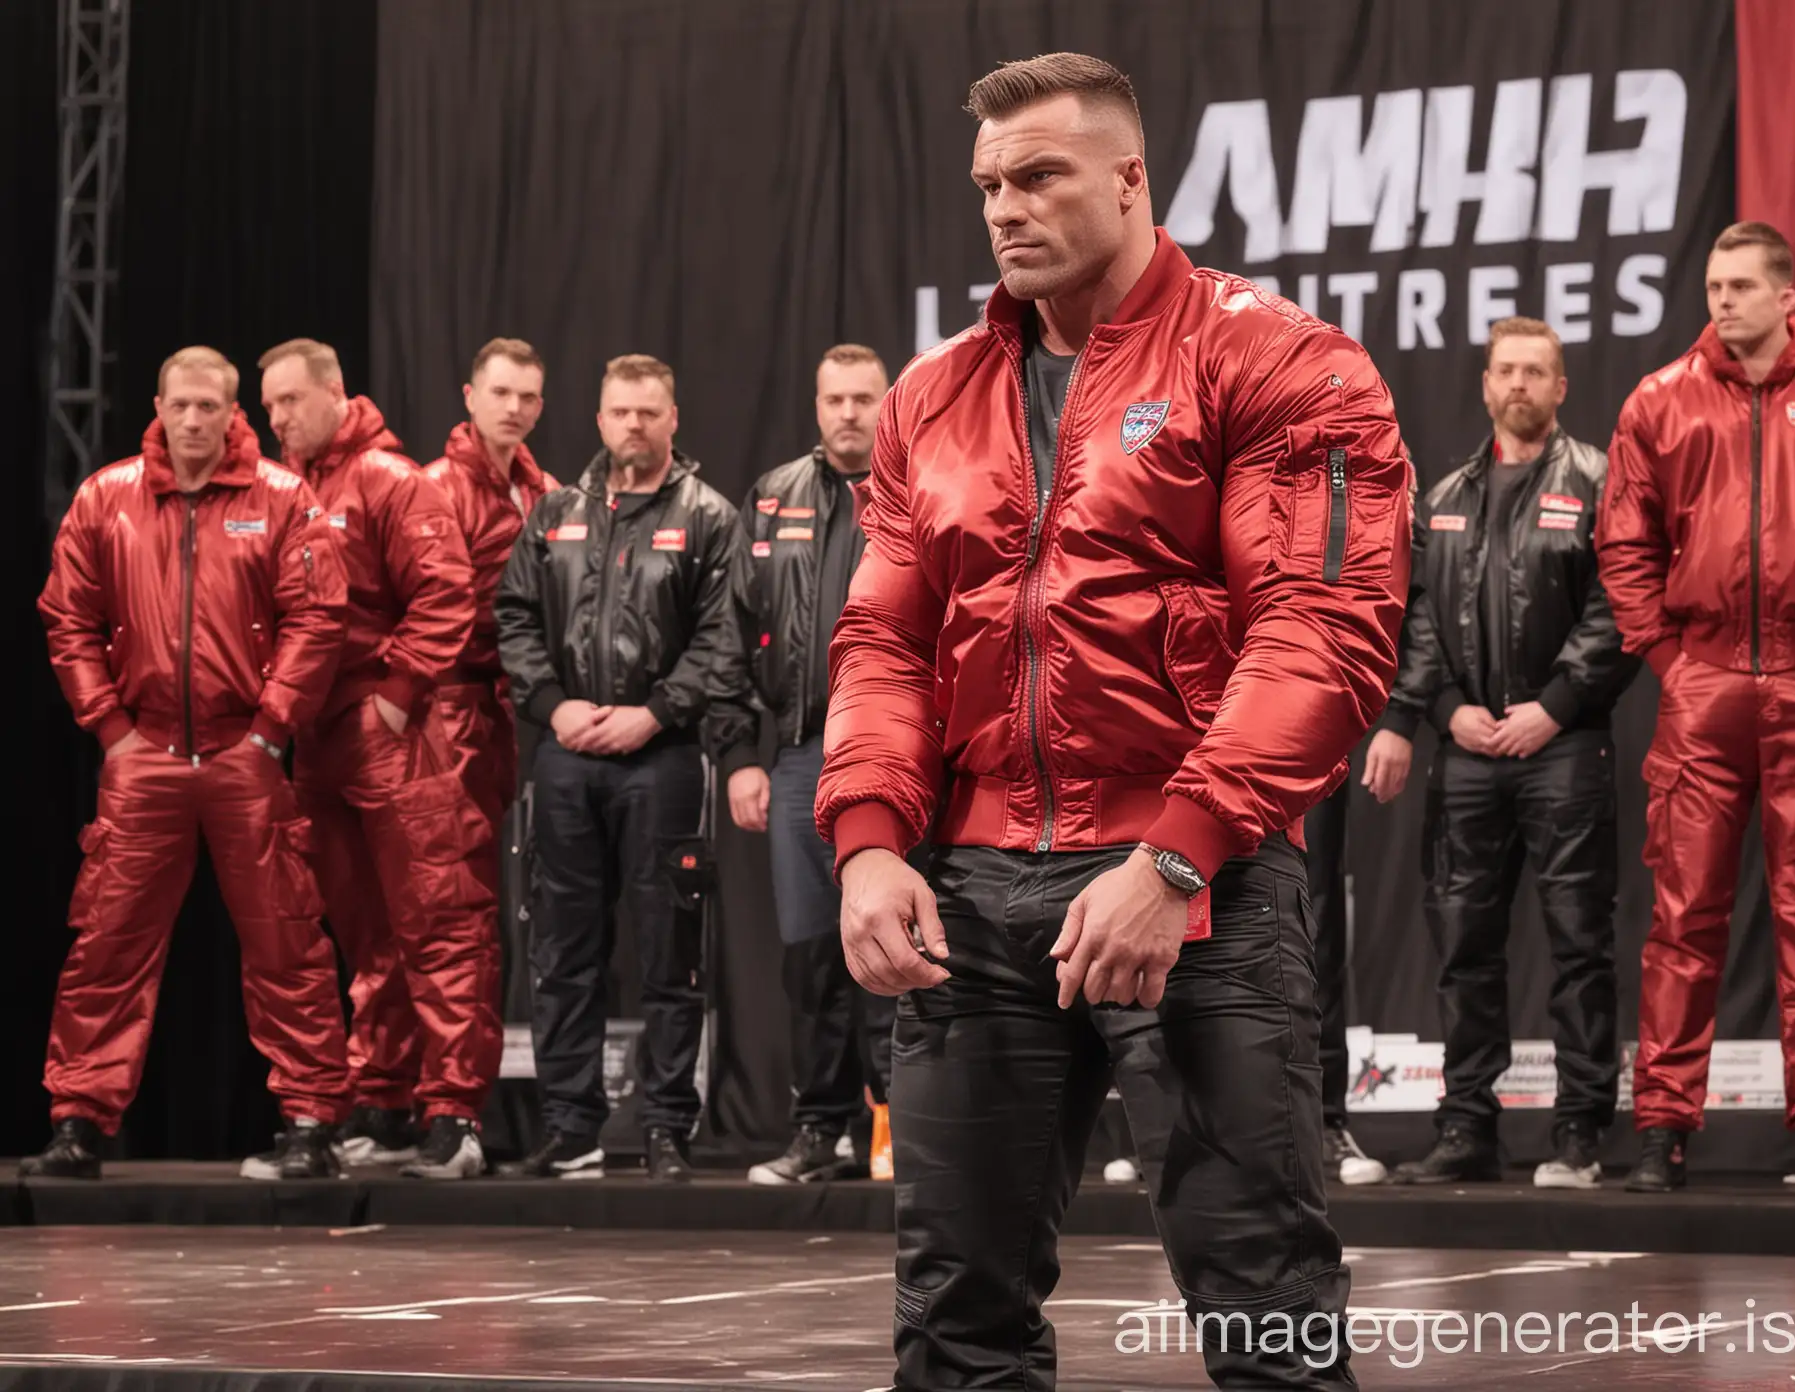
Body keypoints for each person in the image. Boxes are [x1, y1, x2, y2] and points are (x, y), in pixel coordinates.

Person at [815, 54, 1412, 1390]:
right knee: (955, 1329)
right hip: (970, 900)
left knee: (1268, 1315)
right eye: (988, 186)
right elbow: (882, 643)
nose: (1007, 209)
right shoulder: (930, 400)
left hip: (1194, 897)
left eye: (1040, 177)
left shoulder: (1280, 360)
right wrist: (864, 841)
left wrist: (1178, 854)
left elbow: (1323, 635)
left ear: (1134, 178)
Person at [28, 346, 352, 1181]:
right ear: (160, 406)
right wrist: (109, 727)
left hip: (246, 754)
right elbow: (68, 618)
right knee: (107, 942)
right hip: (144, 758)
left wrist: (272, 728)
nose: (195, 420)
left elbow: (318, 620)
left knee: (286, 937)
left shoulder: (282, 498)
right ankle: (79, 1119)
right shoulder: (108, 498)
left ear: (233, 409)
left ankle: (312, 1116)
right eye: (182, 406)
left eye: (211, 405)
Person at [1596, 221, 1795, 1195]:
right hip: (1701, 682)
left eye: (1742, 285)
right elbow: (1624, 543)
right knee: (1682, 912)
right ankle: (1662, 1127)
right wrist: (1667, 655)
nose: (1723, 300)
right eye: (1714, 284)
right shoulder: (1661, 401)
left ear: (1788, 296)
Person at [1363, 316, 1633, 1190]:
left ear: (1561, 388)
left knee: (1578, 945)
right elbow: (1425, 623)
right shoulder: (1443, 496)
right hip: (1471, 753)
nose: (1519, 385)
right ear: (1485, 386)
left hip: (1563, 747)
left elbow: (1619, 608)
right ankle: (1465, 1130)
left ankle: (1580, 1135)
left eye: (1537, 372)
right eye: (1506, 371)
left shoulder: (1596, 483)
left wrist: (1551, 709)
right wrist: (1443, 711)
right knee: (1463, 946)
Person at [496, 354, 752, 1182]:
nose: (633, 426)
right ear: (599, 418)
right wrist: (554, 706)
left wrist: (657, 712)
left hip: (665, 759)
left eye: (648, 413)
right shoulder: (555, 514)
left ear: (672, 418)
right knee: (562, 952)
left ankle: (668, 1128)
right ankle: (570, 1127)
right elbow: (515, 618)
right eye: (619, 413)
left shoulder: (709, 517)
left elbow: (726, 638)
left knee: (670, 948)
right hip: (567, 758)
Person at [259, 338, 499, 1181]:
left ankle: (453, 1113)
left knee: (438, 917)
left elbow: (446, 591)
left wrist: (397, 693)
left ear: (335, 392)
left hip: (391, 729)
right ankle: (386, 1100)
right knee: (359, 930)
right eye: (269, 407)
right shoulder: (284, 489)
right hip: (313, 737)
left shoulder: (394, 478)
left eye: (291, 401)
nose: (278, 419)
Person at [717, 343, 898, 1186]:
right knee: (811, 954)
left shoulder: (920, 479)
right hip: (796, 758)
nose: (850, 413)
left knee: (895, 941)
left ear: (886, 398)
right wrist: (741, 756)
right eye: (836, 399)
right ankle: (821, 1130)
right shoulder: (770, 497)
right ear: (817, 404)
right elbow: (731, 633)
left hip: (896, 754)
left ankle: (901, 1134)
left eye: (865, 397)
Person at [1302, 771, 1387, 1185]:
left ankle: (1323, 1124)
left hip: (1292, 738)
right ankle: (1178, 1129)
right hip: (1195, 734)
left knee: (1316, 928)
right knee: (1193, 909)